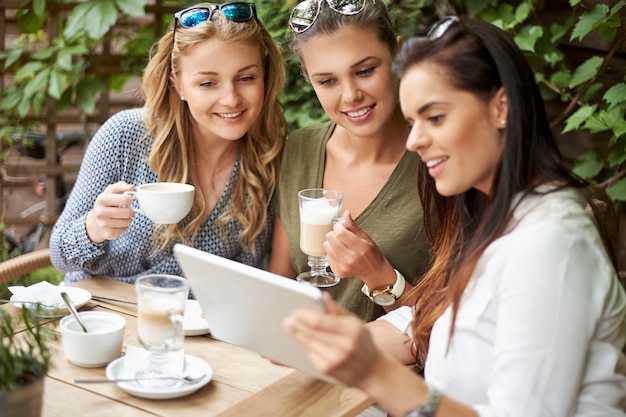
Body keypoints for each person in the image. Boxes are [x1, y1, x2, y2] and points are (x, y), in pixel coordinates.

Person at [284, 16, 626, 417]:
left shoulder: (550, 242)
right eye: (413, 122)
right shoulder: (495, 219)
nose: (415, 140)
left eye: (436, 117)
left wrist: (376, 372)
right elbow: (426, 322)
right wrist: (315, 346)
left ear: (501, 107)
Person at [50, 2, 286, 283]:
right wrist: (93, 228)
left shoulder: (270, 159)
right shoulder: (126, 136)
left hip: (198, 325)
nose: (231, 99)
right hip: (102, 314)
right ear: (179, 85)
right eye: (208, 83)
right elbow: (60, 255)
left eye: (246, 78)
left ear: (265, 76)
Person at [269, 0, 431, 322]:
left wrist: (381, 276)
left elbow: (457, 330)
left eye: (365, 71)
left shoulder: (438, 159)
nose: (350, 95)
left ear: (398, 56)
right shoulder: (298, 151)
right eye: (327, 81)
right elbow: (280, 286)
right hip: (302, 362)